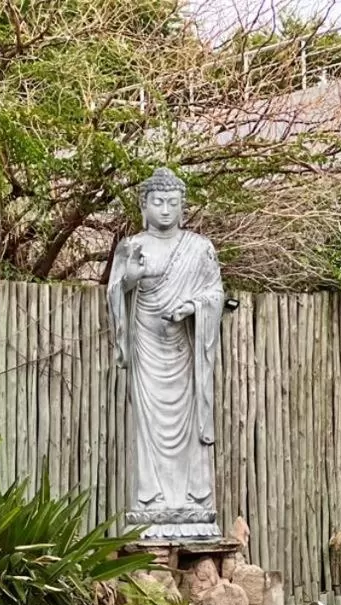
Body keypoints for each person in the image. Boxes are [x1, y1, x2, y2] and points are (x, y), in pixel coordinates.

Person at [106, 167, 224, 538]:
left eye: (173, 203)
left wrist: (193, 308)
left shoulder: (200, 247)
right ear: (143, 205)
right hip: (146, 345)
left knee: (188, 422)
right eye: (158, 202)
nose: (166, 210)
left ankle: (193, 499)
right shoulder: (132, 246)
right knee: (148, 425)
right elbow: (115, 293)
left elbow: (215, 293)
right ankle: (150, 500)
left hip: (185, 348)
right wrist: (132, 279)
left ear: (183, 206)